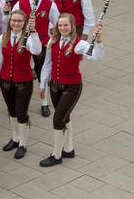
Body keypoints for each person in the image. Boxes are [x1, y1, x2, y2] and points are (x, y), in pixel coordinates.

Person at [38, 14, 104, 167]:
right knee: (64, 117)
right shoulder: (52, 41)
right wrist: (42, 85)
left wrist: (99, 42)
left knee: (57, 119)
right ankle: (69, 149)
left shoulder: (80, 44)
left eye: (65, 25)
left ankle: (56, 154)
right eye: (60, 25)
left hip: (72, 86)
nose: (62, 28)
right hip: (54, 86)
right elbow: (47, 64)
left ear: (72, 26)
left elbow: (96, 57)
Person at [0, 10, 41, 159]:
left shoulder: (28, 38)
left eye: (19, 21)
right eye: (13, 20)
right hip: (5, 81)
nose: (16, 23)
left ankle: (23, 144)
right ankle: (15, 138)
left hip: (23, 81)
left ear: (24, 23)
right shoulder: (3, 37)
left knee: (21, 113)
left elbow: (37, 50)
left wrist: (33, 32)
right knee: (12, 111)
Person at [12, 0, 60, 117]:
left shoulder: (49, 4)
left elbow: (57, 24)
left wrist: (53, 40)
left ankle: (44, 102)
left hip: (43, 42)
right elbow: (12, 22)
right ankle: (20, 101)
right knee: (21, 71)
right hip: (23, 43)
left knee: (42, 74)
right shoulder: (20, 4)